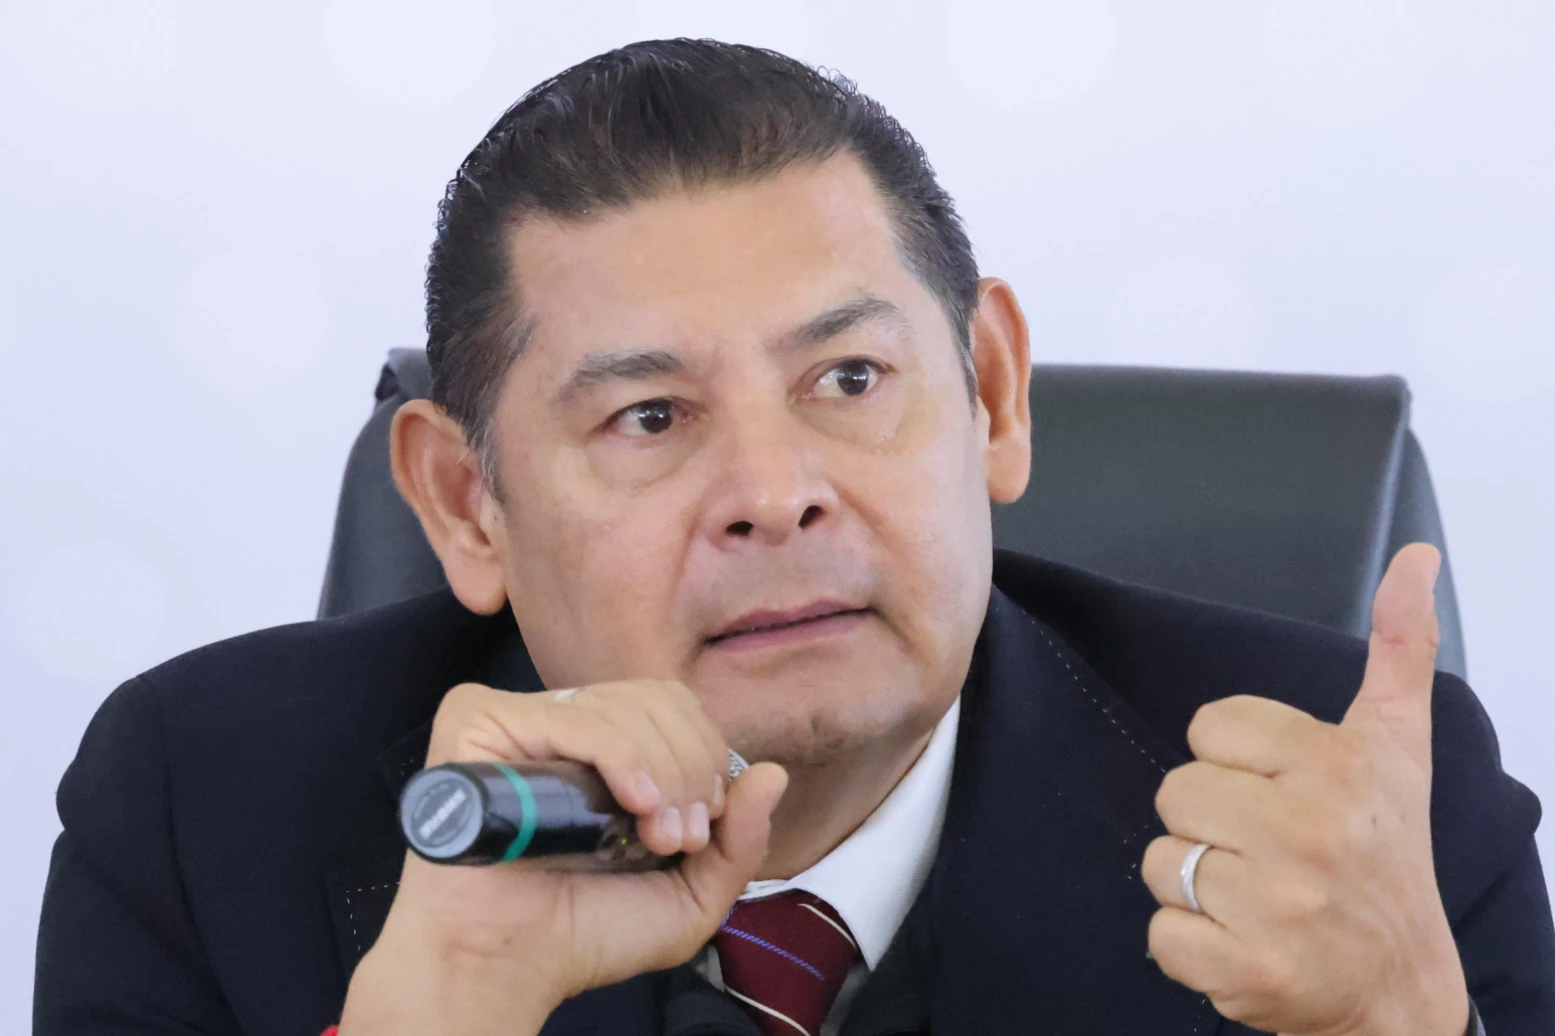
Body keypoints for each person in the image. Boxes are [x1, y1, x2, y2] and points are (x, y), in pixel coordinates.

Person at [33, 38, 1553, 1036]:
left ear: (991, 394)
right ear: (463, 504)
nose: (775, 491)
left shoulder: (1363, 814)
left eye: (849, 380)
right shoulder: (199, 809)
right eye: (649, 416)